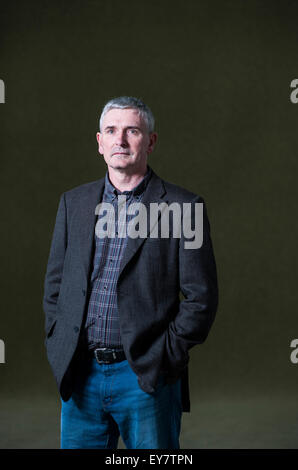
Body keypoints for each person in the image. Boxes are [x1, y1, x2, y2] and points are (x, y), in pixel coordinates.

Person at [43, 96, 218, 449]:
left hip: (144, 378)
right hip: (80, 376)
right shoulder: (73, 203)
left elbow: (201, 299)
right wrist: (58, 341)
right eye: (111, 130)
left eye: (132, 131)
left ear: (150, 141)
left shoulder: (184, 207)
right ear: (99, 142)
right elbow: (55, 286)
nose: (120, 140)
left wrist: (163, 357)